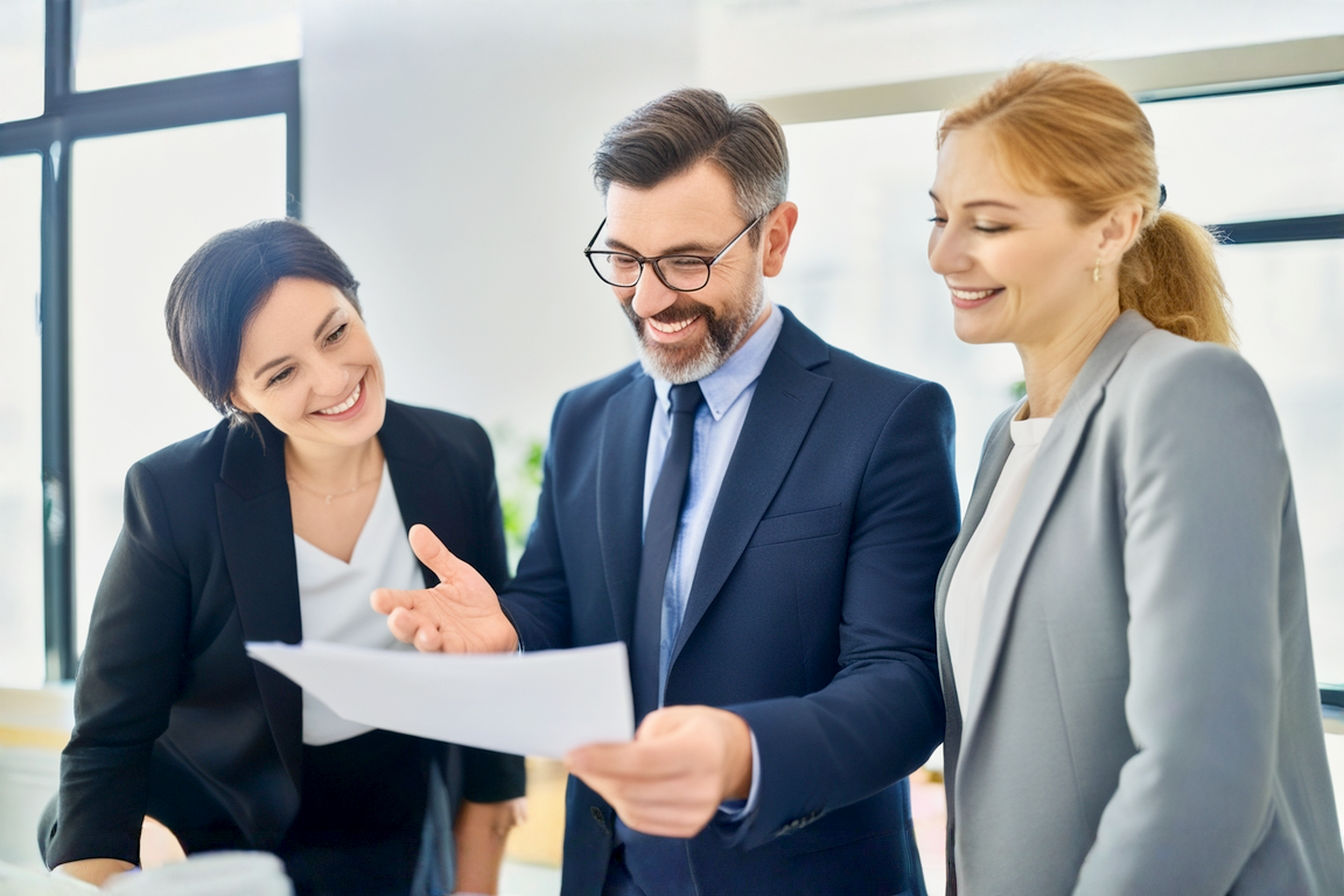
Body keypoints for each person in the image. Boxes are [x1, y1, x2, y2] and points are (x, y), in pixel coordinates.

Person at [372, 88, 960, 896]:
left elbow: (903, 683)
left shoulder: (887, 419)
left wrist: (741, 754)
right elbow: (559, 608)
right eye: (623, 259)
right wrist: (506, 630)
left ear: (776, 239)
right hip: (609, 874)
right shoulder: (586, 418)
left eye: (688, 261)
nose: (647, 300)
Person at [927, 60, 1344, 894]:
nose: (944, 254)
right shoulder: (1002, 445)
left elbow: (1204, 769)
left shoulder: (1187, 395)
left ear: (1114, 228)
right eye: (938, 218)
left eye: (990, 225)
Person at [39, 219, 527, 895]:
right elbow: (109, 736)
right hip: (218, 827)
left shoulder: (456, 454)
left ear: (356, 305)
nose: (335, 381)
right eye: (282, 372)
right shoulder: (175, 496)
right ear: (239, 398)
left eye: (336, 332)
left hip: (396, 814)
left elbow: (487, 681)